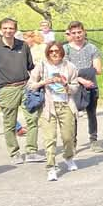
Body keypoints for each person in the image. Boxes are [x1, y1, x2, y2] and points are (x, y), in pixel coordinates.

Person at [0, 17, 40, 164]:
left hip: (25, 86)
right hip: (7, 89)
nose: (8, 31)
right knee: (10, 123)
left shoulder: (23, 45)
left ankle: (32, 151)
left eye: (11, 28)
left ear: (15, 30)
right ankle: (14, 153)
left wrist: (35, 83)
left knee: (32, 120)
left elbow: (30, 67)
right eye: (5, 28)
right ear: (1, 30)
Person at [27, 40, 80, 181]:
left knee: (68, 137)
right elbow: (31, 85)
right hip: (48, 107)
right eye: (51, 51)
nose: (54, 53)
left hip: (66, 104)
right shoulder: (42, 66)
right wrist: (44, 82)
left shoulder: (69, 66)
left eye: (57, 51)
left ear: (62, 52)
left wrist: (66, 85)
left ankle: (69, 157)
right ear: (47, 53)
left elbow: (76, 87)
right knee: (49, 139)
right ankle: (51, 167)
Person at [64, 21, 103, 153]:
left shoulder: (92, 48)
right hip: (74, 86)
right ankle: (72, 143)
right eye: (74, 33)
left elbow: (97, 69)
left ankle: (94, 140)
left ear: (84, 31)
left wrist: (78, 72)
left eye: (79, 32)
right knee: (73, 115)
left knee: (91, 113)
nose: (77, 35)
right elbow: (65, 71)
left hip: (91, 85)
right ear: (70, 34)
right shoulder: (66, 50)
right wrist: (80, 77)